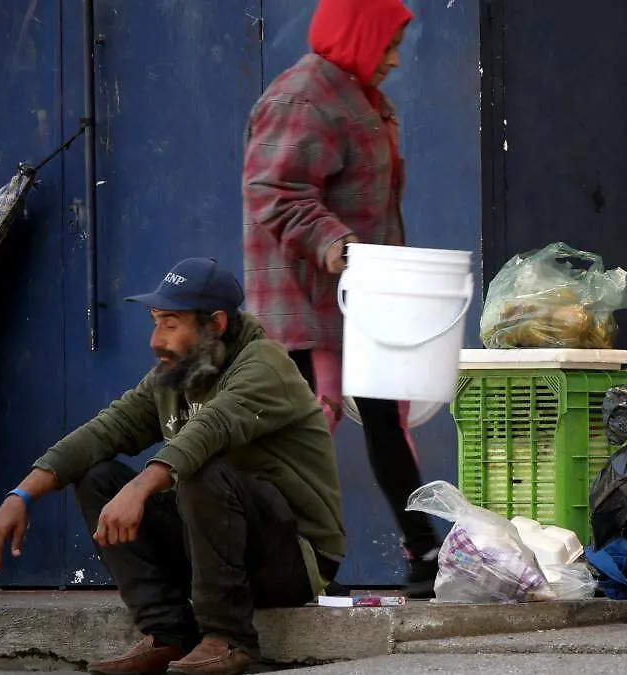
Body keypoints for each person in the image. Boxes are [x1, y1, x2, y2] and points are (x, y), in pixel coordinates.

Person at [0, 257, 345, 675]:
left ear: (217, 324)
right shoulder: (176, 373)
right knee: (97, 476)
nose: (157, 339)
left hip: (295, 559)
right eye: (155, 321)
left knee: (199, 469)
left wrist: (140, 488)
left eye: (171, 323)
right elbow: (105, 430)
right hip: (218, 547)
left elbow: (210, 428)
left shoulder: (266, 365)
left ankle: (229, 639)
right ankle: (168, 633)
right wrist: (22, 493)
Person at [240, 0, 441, 597]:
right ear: (358, 35)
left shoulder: (358, 94)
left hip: (358, 294)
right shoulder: (303, 97)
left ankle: (424, 553)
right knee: (300, 435)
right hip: (305, 301)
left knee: (383, 415)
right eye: (388, 45)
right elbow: (274, 191)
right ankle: (289, 563)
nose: (395, 60)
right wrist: (339, 245)